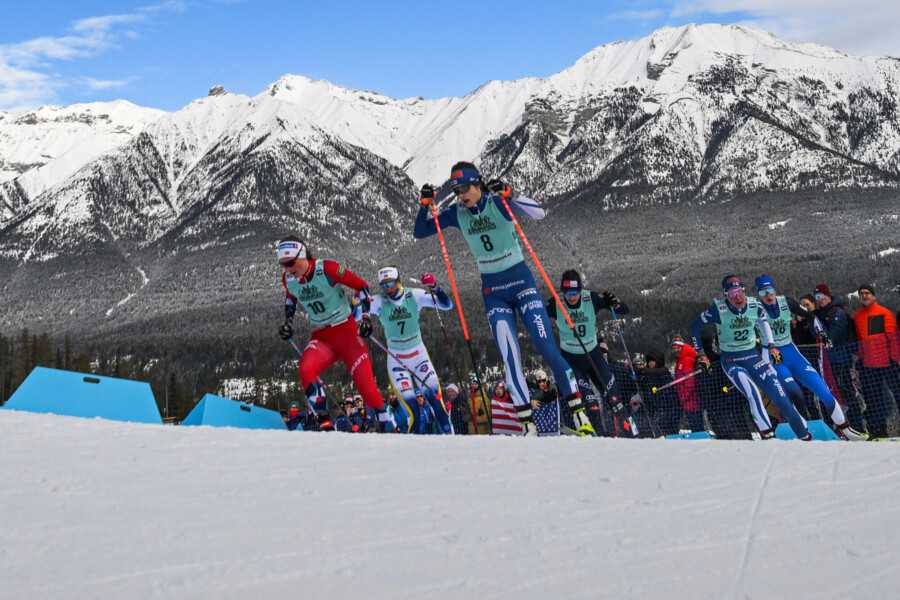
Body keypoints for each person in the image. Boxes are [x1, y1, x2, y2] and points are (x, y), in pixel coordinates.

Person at [414, 162, 594, 436]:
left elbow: (538, 213)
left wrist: (511, 194)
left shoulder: (498, 203)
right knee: (510, 358)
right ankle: (526, 423)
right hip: (493, 293)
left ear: (478, 184)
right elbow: (421, 231)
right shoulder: (457, 214)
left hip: (522, 284)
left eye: (464, 189)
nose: (460, 195)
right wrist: (424, 204)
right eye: (456, 190)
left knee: (547, 347)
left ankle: (580, 414)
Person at [276, 236, 394, 432]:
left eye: (290, 263)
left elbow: (362, 287)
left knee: (367, 389)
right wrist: (288, 322)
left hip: (347, 334)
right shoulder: (289, 279)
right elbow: (291, 298)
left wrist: (365, 318)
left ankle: (385, 420)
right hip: (322, 338)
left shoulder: (327, 269)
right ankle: (324, 421)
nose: (288, 269)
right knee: (306, 368)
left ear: (302, 255)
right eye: (283, 264)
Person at [691, 274, 810, 440]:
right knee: (752, 392)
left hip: (753, 357)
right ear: (726, 295)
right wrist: (701, 354)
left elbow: (763, 322)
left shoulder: (754, 305)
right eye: (732, 294)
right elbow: (695, 327)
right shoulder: (718, 309)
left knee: (780, 396)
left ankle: (805, 436)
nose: (737, 297)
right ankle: (768, 435)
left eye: (739, 291)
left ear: (744, 290)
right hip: (732, 360)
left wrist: (771, 345)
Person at [754, 275, 865, 440]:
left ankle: (844, 429)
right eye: (763, 293)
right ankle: (802, 430)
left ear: (774, 290)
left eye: (770, 291)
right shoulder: (754, 308)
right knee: (793, 391)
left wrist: (822, 333)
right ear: (758, 294)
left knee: (823, 390)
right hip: (774, 356)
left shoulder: (787, 302)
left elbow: (810, 316)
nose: (768, 295)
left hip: (792, 352)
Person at [367, 266, 454, 433]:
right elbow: (355, 314)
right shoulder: (379, 300)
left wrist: (435, 286)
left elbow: (447, 305)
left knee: (437, 403)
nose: (388, 289)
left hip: (418, 356)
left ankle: (451, 441)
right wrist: (358, 306)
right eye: (383, 285)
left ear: (398, 280)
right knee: (412, 411)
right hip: (397, 360)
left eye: (391, 283)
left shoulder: (414, 295)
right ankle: (413, 452)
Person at [546, 269, 630, 432]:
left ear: (580, 290)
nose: (572, 297)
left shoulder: (590, 298)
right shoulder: (555, 303)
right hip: (572, 360)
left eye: (575, 292)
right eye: (568, 293)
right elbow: (536, 318)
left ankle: (630, 431)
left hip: (594, 356)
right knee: (591, 404)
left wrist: (615, 303)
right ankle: (600, 439)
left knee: (614, 398)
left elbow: (623, 310)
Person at [814, 283, 864, 430]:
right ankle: (840, 425)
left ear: (828, 296)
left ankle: (857, 425)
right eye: (817, 297)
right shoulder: (821, 313)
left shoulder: (837, 312)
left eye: (822, 296)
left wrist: (827, 339)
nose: (820, 299)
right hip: (828, 361)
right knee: (832, 392)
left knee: (846, 391)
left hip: (841, 359)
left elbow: (834, 335)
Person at [852, 284, 900, 438]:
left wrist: (896, 359)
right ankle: (879, 430)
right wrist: (860, 359)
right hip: (869, 366)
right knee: (874, 399)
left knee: (898, 394)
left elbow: (893, 338)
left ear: (874, 296)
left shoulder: (884, 313)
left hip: (888, 363)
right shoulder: (857, 316)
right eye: (861, 294)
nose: (864, 296)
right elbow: (860, 341)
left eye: (867, 293)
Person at [671, 335, 704, 432]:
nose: (674, 350)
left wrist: (684, 396)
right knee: (693, 422)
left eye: (676, 347)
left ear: (681, 347)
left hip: (691, 399)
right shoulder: (680, 360)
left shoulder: (686, 360)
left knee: (696, 423)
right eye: (673, 348)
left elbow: (690, 381)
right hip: (686, 399)